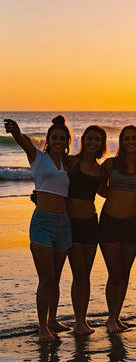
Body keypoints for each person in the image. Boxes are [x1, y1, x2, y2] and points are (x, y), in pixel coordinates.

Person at [4, 116, 72, 342]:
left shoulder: (67, 164)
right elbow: (22, 141)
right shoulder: (37, 157)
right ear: (48, 139)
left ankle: (53, 320)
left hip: (64, 223)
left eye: (62, 138)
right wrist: (15, 131)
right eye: (54, 137)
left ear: (67, 141)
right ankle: (42, 327)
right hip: (42, 222)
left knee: (57, 277)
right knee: (46, 278)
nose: (58, 141)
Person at [99, 125, 136, 333]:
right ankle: (110, 318)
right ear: (121, 141)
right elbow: (99, 187)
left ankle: (116, 317)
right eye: (127, 138)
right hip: (109, 222)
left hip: (133, 223)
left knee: (125, 273)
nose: (131, 142)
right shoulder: (110, 164)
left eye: (134, 138)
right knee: (115, 273)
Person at [66, 125, 108, 335]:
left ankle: (83, 319)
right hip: (71, 224)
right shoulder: (71, 161)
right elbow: (52, 175)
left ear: (102, 144)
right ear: (83, 139)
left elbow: (104, 192)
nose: (93, 142)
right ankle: (77, 321)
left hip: (91, 223)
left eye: (97, 140)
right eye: (90, 138)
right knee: (79, 273)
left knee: (86, 274)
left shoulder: (100, 169)